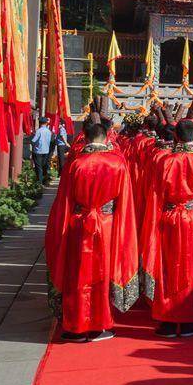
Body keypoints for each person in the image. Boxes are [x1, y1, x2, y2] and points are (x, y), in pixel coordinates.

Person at [44, 122, 139, 341]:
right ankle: (100, 325)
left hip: (79, 224)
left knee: (78, 274)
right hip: (107, 224)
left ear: (84, 138)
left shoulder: (75, 163)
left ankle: (76, 326)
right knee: (102, 274)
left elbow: (63, 203)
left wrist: (60, 232)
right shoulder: (118, 164)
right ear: (106, 137)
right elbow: (125, 202)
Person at [139, 118, 193, 338]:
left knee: (166, 267)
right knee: (190, 266)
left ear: (176, 136)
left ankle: (166, 320)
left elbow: (154, 197)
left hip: (167, 218)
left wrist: (151, 228)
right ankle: (187, 320)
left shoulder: (164, 162)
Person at [31, 117, 55, 184]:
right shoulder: (49, 131)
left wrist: (31, 141)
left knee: (38, 167)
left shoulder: (39, 131)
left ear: (40, 123)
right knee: (44, 166)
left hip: (38, 151)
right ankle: (45, 181)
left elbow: (34, 140)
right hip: (46, 151)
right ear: (46, 123)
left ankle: (39, 182)